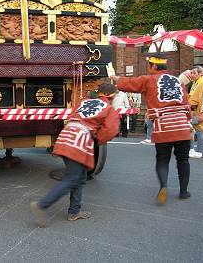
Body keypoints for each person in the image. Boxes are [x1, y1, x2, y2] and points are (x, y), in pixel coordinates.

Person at [30, 83, 120, 227]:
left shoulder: (83, 102)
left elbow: (72, 116)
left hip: (67, 135)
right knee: (73, 178)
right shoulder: (109, 109)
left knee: (80, 176)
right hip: (79, 141)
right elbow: (110, 130)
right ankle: (42, 205)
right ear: (112, 96)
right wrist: (98, 137)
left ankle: (74, 211)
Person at [110, 53, 192, 204]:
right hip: (182, 125)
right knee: (183, 160)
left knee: (162, 160)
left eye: (149, 66)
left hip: (164, 126)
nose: (148, 69)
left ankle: (163, 186)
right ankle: (183, 191)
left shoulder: (149, 80)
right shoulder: (178, 81)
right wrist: (188, 121)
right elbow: (186, 104)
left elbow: (130, 83)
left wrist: (115, 78)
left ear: (154, 66)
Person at [188, 66, 203, 159]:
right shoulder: (195, 83)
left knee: (200, 131)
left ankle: (199, 151)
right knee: (189, 130)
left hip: (199, 111)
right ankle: (191, 149)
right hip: (192, 110)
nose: (192, 74)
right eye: (191, 73)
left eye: (194, 73)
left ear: (200, 73)